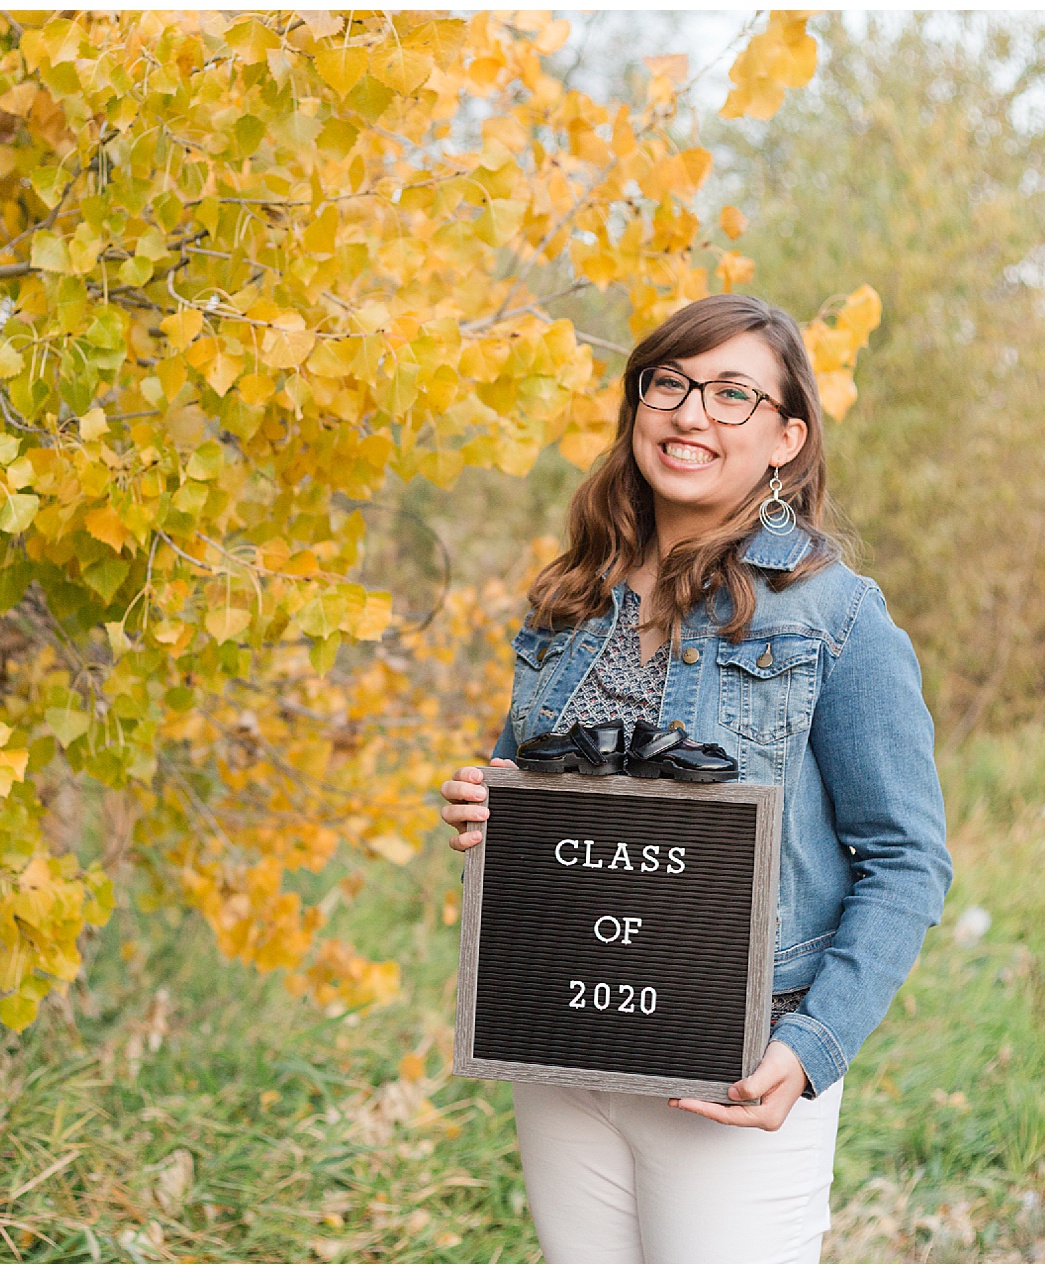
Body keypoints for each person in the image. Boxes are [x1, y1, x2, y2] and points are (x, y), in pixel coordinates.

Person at [437, 293, 953, 1263]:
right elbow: (535, 783)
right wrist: (490, 804)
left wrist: (810, 1047)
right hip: (561, 1031)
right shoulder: (570, 596)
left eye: (731, 394)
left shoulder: (833, 616)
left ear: (785, 439)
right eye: (668, 383)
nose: (690, 413)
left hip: (733, 1055)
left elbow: (906, 859)